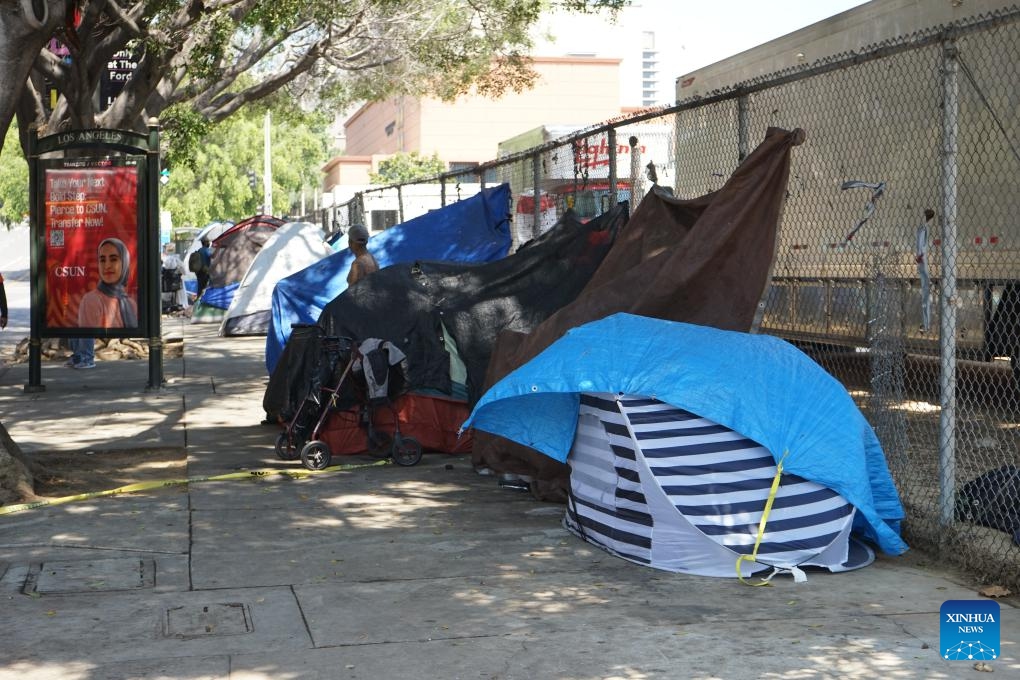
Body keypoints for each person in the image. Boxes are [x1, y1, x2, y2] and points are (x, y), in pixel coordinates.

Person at [78, 237, 138, 329]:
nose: (107, 266)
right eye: (102, 260)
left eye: (113, 259)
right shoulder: (91, 300)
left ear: (125, 263)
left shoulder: (131, 304)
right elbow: (90, 341)